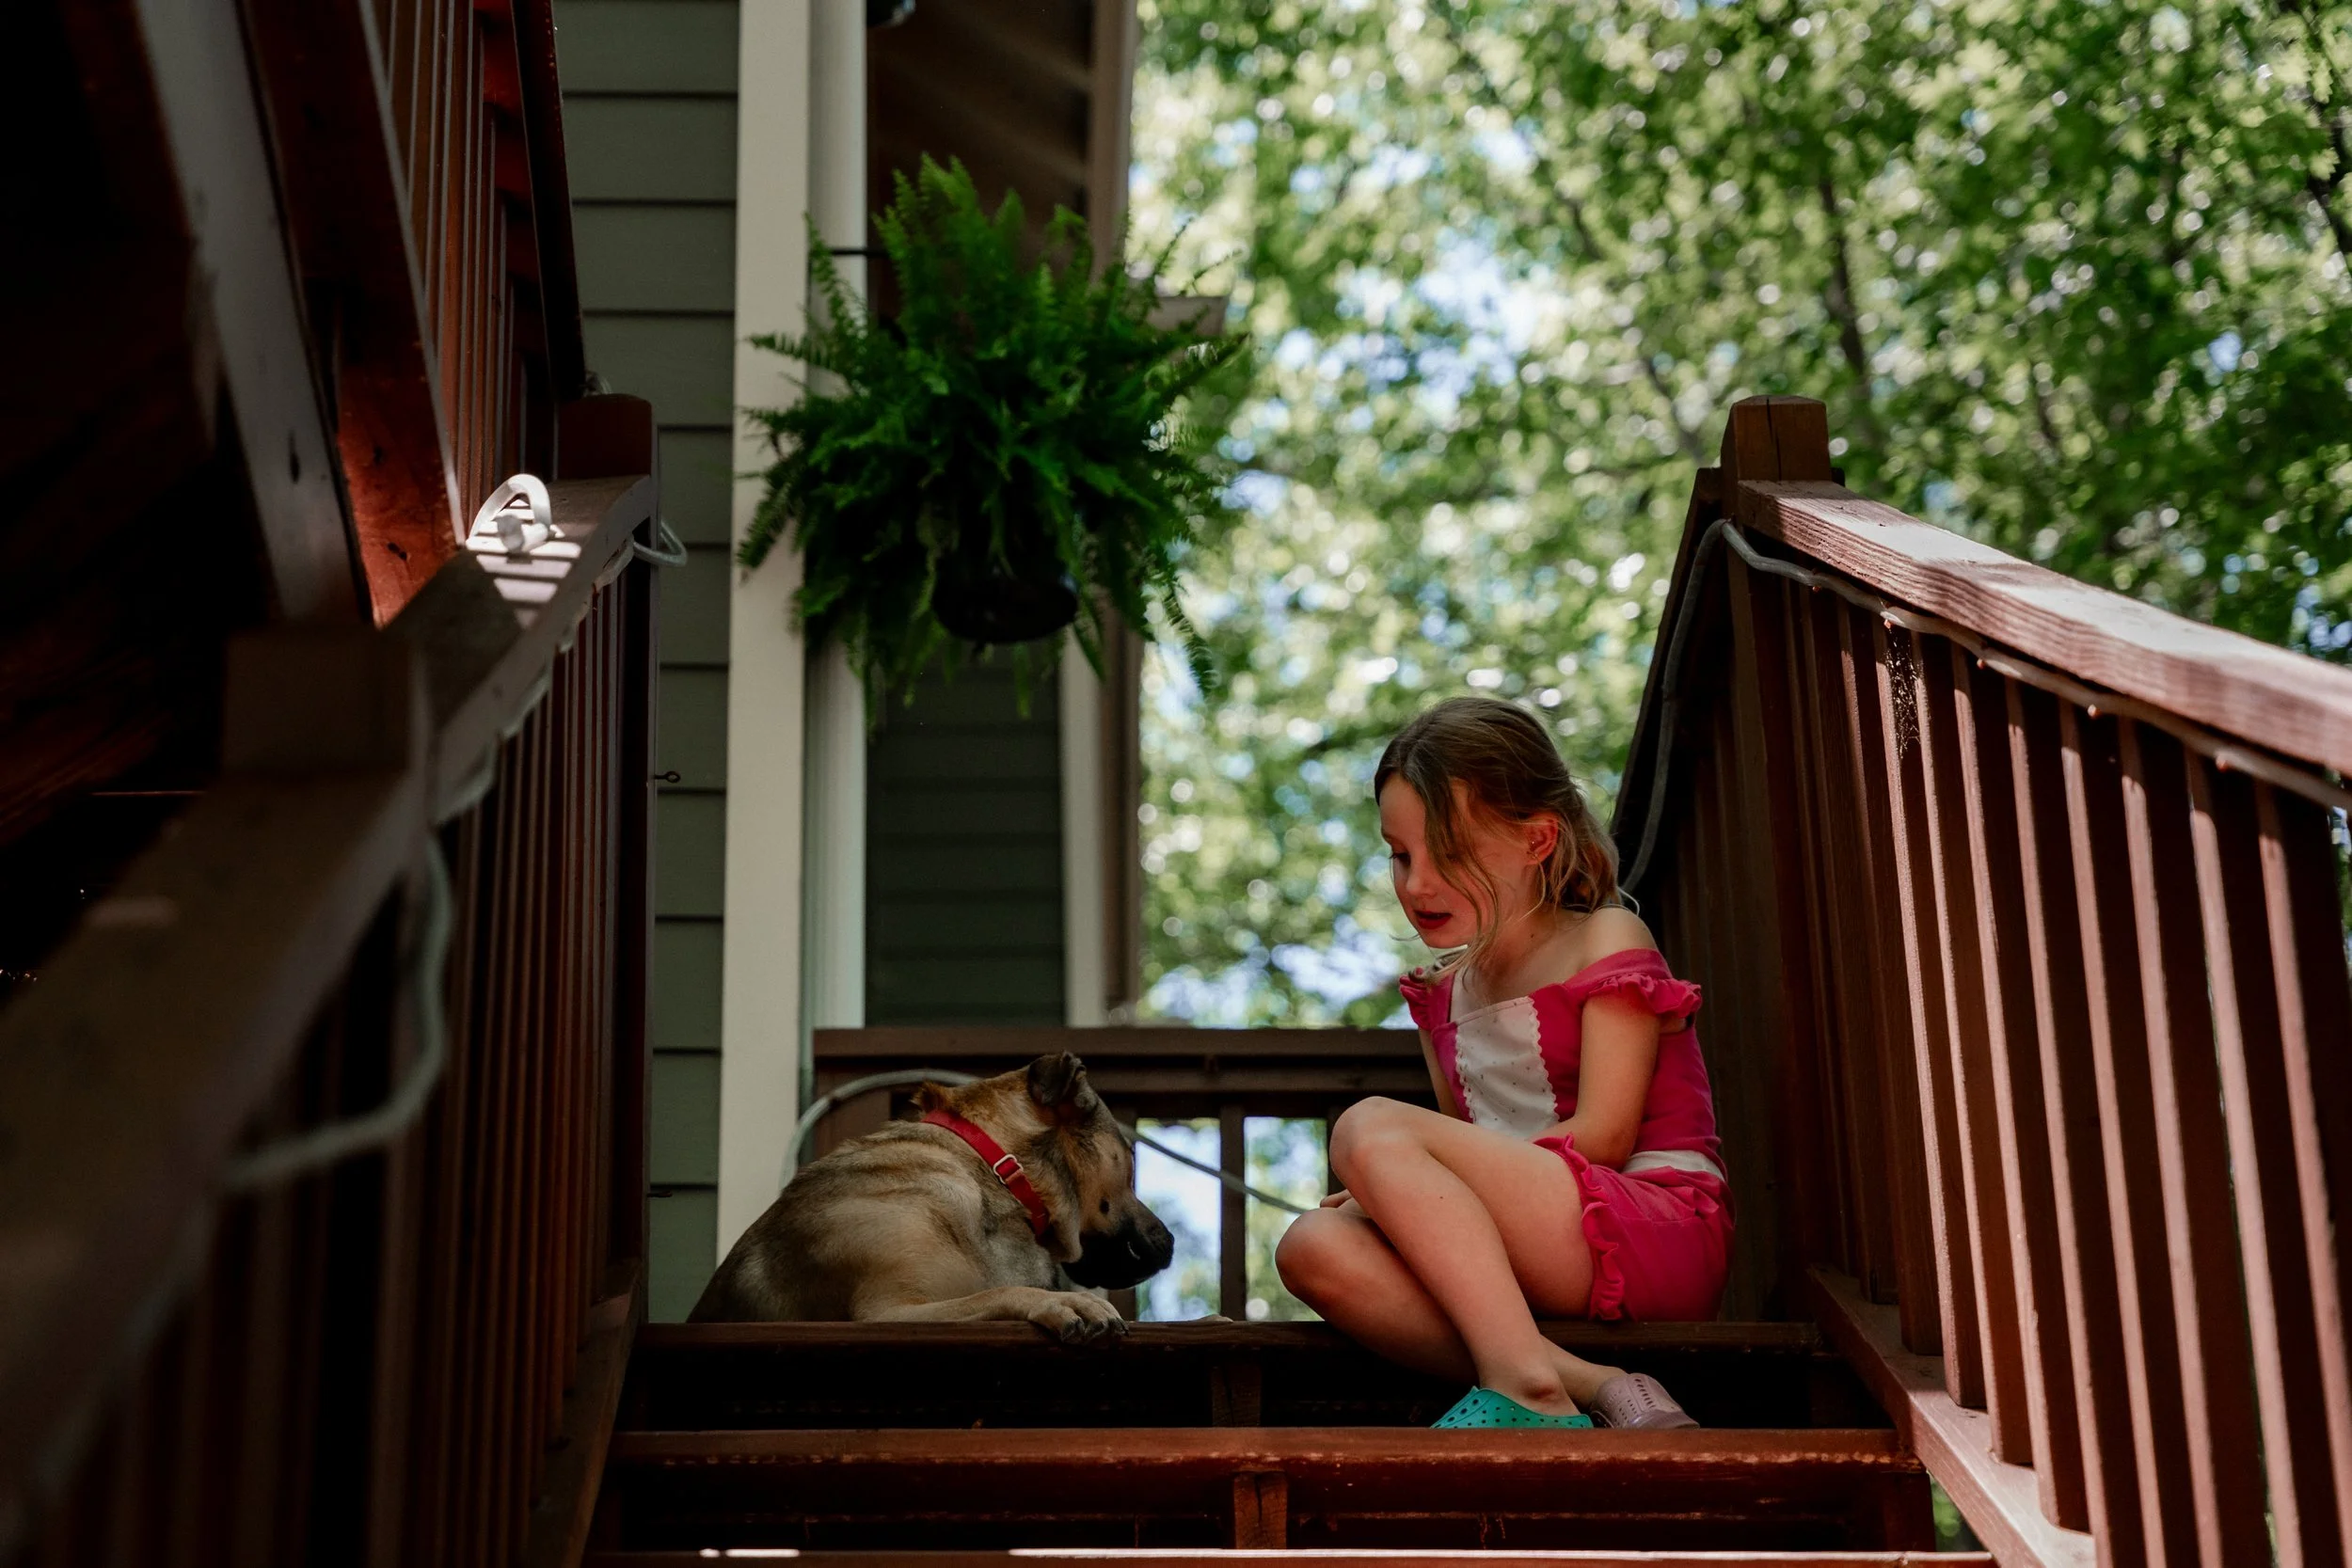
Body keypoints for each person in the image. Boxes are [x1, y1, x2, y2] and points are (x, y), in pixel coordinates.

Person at [1275, 695, 1730, 1430]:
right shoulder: (1442, 994)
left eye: (1447, 854)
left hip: (1649, 1225)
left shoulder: (1607, 936)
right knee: (1310, 1246)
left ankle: (1529, 1390)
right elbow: (1462, 1177)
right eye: (1400, 854)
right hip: (1544, 1247)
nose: (1416, 883)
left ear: (1538, 839)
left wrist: (1382, 1179)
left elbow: (1605, 1136)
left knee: (1369, 1128)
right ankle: (1588, 1381)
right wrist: (1395, 1191)